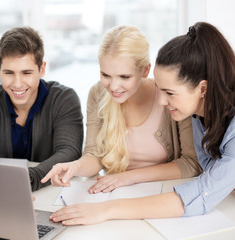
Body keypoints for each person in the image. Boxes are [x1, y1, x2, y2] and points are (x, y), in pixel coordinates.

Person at [46, 22, 235, 225]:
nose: (161, 101)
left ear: (202, 88)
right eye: (159, 90)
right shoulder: (199, 114)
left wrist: (105, 210)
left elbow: (199, 195)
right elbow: (213, 170)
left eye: (169, 93)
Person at [42, 25, 201, 195]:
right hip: (116, 193)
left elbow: (191, 163)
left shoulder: (169, 95)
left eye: (125, 77)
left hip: (165, 194)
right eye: (105, 75)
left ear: (145, 70)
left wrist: (128, 177)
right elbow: (94, 156)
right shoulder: (97, 93)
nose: (113, 86)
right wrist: (75, 167)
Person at [0, 26, 83, 191]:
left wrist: (26, 181)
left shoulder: (63, 99)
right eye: (9, 73)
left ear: (42, 69)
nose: (17, 83)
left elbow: (69, 151)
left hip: (51, 190)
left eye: (26, 73)